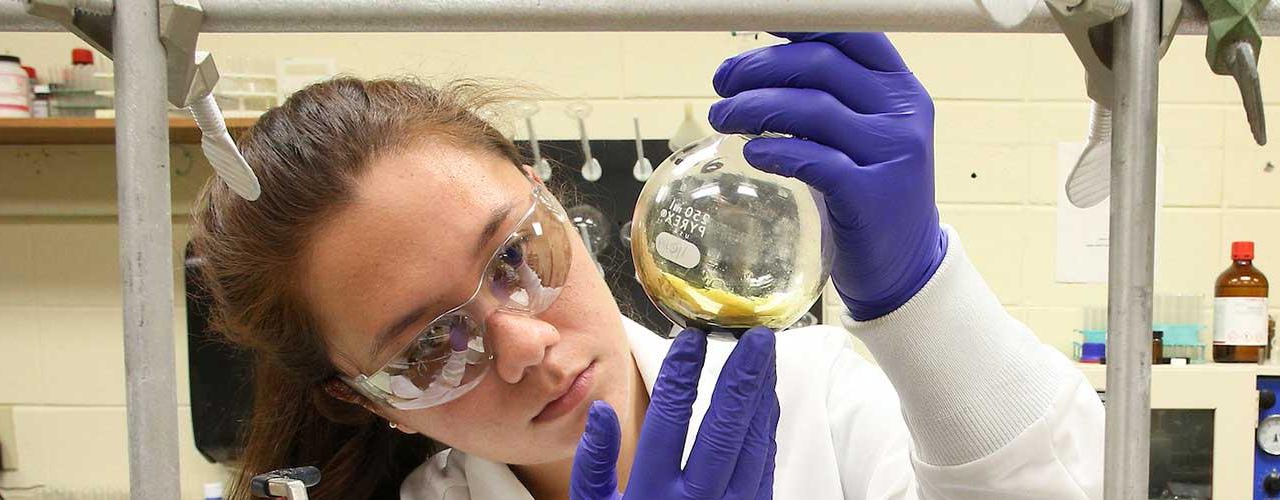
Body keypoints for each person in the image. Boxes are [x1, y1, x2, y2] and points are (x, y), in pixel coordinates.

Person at [190, 32, 1102, 499]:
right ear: (361, 397)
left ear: (553, 199)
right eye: (430, 348)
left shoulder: (819, 405)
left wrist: (921, 296)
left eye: (513, 254)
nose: (525, 345)